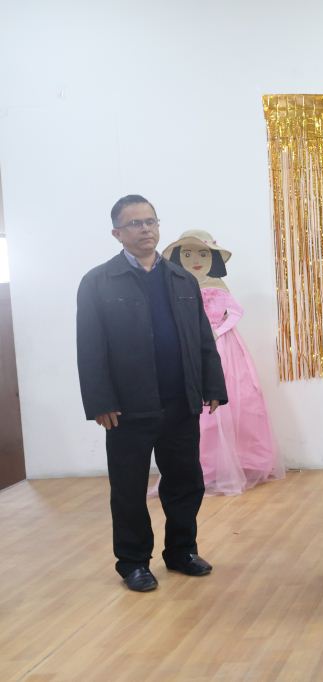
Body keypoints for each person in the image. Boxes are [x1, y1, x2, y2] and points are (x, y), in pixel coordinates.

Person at [76, 195, 227, 592]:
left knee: (186, 482)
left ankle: (181, 551)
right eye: (135, 223)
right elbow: (90, 348)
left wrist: (212, 385)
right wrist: (100, 401)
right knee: (128, 489)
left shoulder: (181, 279)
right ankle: (133, 562)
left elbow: (202, 338)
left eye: (150, 221)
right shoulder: (97, 282)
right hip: (127, 408)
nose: (145, 229)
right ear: (117, 233)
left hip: (180, 401)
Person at [163, 230, 283, 495]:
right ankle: (204, 465)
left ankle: (241, 460)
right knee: (197, 409)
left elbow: (236, 312)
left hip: (225, 347)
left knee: (236, 399)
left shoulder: (217, 286)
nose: (195, 260)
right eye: (187, 254)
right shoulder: (178, 287)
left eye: (202, 254)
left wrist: (218, 330)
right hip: (192, 347)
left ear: (212, 257)